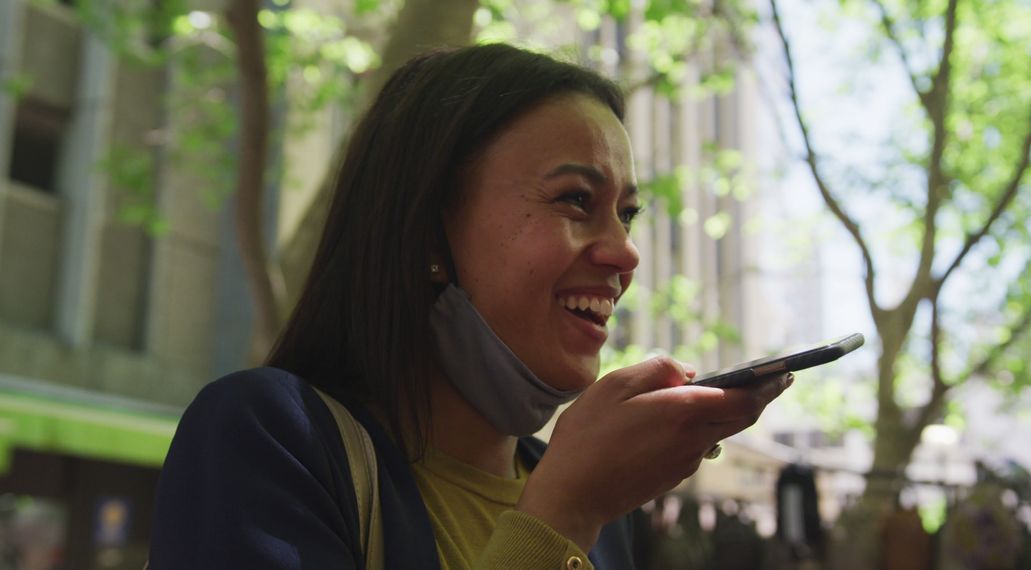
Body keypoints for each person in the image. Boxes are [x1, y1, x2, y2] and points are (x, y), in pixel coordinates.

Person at [149, 43, 794, 569]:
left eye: (627, 215)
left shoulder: (606, 511)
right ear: (429, 231)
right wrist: (561, 517)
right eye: (575, 200)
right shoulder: (269, 436)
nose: (625, 255)